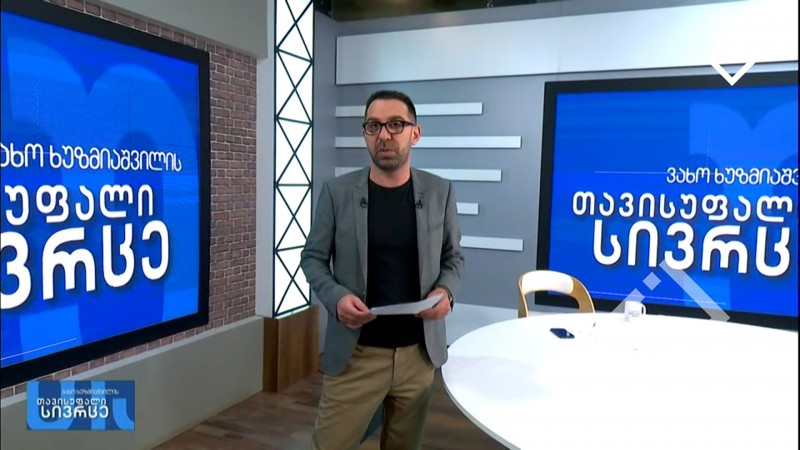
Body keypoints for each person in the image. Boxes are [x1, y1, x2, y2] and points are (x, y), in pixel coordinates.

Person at [300, 90, 465, 450]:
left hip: (418, 355)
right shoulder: (337, 193)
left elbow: (453, 258)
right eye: (374, 126)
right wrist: (336, 298)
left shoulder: (440, 192)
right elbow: (312, 258)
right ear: (365, 134)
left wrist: (446, 292)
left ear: (415, 133)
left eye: (395, 124)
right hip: (356, 354)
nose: (384, 135)